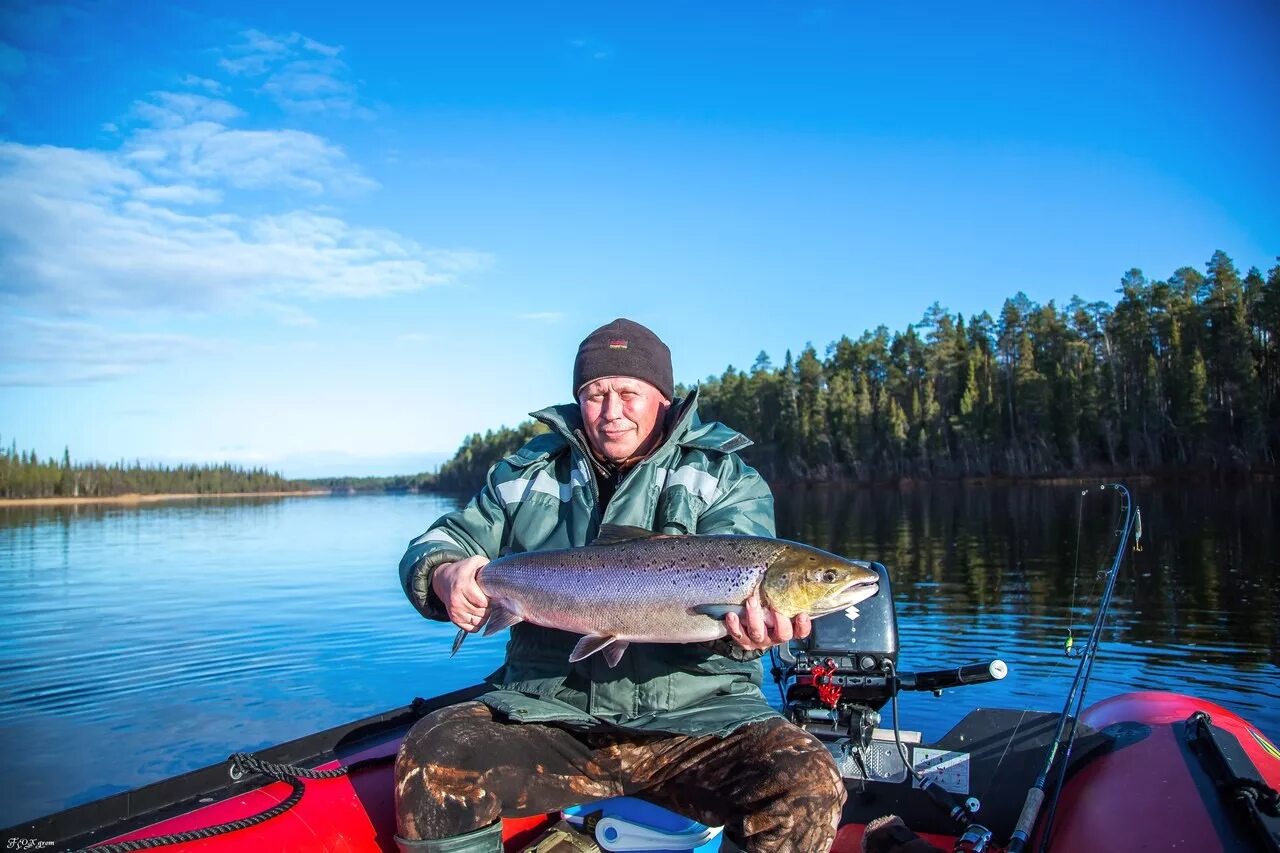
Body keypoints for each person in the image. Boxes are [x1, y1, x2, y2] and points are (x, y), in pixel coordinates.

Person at [395, 318, 846, 853]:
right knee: (435, 752)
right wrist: (446, 573)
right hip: (553, 717)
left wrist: (747, 634)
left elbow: (741, 562)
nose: (611, 412)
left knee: (807, 781)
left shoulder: (726, 479)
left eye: (628, 393)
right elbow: (440, 541)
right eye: (594, 395)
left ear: (662, 397)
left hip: (698, 725)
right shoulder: (525, 476)